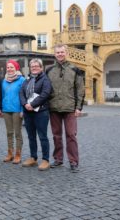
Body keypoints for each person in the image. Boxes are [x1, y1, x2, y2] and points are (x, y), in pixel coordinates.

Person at [46, 44, 85, 173]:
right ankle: (58, 159)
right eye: (58, 52)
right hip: (54, 107)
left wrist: (78, 107)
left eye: (62, 52)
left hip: (70, 108)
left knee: (71, 135)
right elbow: (46, 89)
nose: (60, 54)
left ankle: (73, 161)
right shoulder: (49, 70)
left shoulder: (75, 70)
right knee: (56, 136)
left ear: (66, 53)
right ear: (55, 54)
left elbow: (80, 90)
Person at [20, 58, 52, 171]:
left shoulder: (45, 79)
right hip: (28, 112)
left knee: (42, 136)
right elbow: (21, 93)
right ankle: (33, 157)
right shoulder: (27, 79)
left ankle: (45, 159)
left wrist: (32, 104)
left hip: (41, 112)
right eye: (32, 66)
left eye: (36, 66)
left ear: (41, 67)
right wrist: (25, 104)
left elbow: (45, 94)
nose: (34, 68)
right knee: (31, 136)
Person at [1, 60, 25, 164]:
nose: (9, 69)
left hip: (17, 110)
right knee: (9, 133)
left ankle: (18, 154)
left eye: (12, 67)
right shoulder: (4, 81)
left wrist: (22, 110)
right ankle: (10, 153)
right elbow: (2, 95)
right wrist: (1, 108)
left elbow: (25, 96)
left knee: (17, 133)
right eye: (8, 67)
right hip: (6, 109)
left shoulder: (22, 80)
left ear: (16, 68)